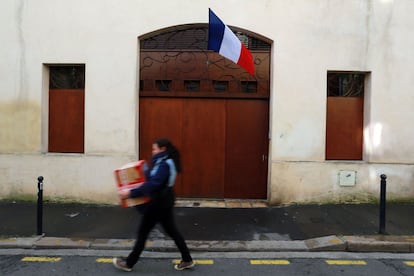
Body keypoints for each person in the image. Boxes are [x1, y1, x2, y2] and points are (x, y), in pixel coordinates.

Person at [113, 138, 194, 272]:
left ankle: (128, 263)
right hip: (164, 202)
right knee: (172, 232)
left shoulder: (164, 165)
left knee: (143, 233)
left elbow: (154, 184)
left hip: (157, 205)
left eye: (154, 149)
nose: (153, 151)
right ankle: (187, 260)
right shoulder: (166, 161)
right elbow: (153, 179)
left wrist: (130, 193)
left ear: (162, 149)